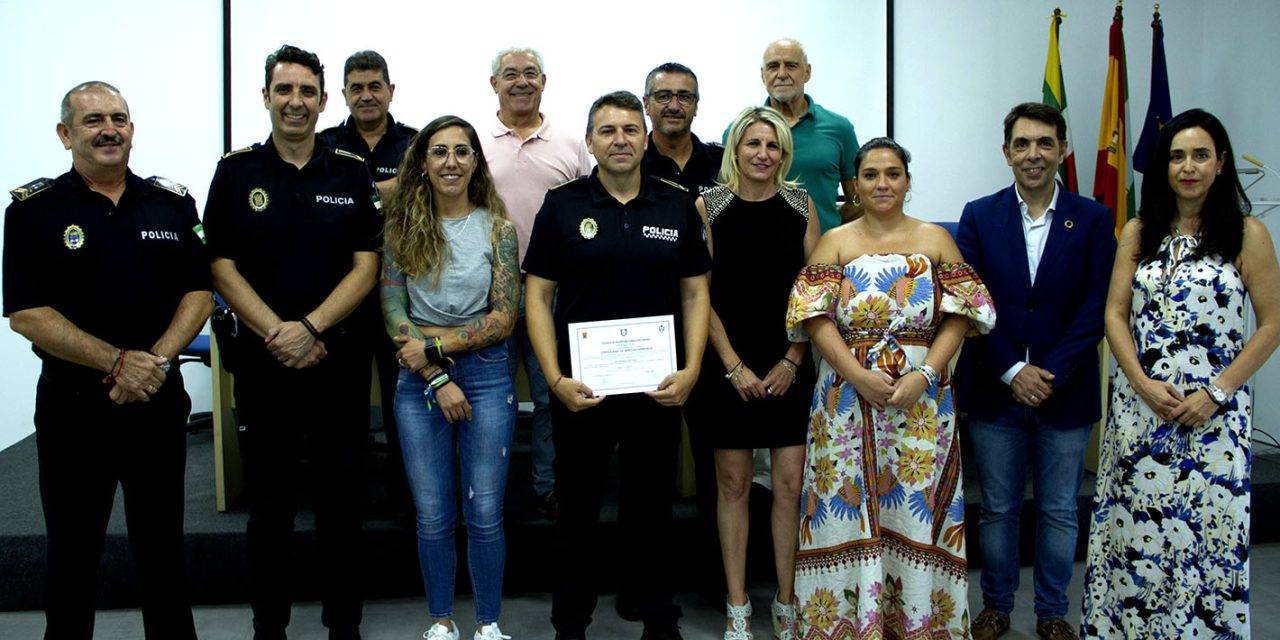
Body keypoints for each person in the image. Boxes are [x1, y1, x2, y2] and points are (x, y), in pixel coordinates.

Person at [3, 80, 212, 640]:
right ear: (65, 134)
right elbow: (26, 313)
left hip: (156, 406)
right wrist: (118, 363)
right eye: (93, 120)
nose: (109, 129)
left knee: (163, 555)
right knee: (73, 558)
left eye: (119, 118)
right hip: (75, 413)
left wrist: (155, 362)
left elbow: (198, 292)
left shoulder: (172, 204)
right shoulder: (33, 211)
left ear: (132, 130)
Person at [202, 45, 381, 640]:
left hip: (337, 360)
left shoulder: (350, 168)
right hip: (264, 363)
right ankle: (269, 627)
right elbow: (221, 266)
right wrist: (279, 333)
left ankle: (343, 626)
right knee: (271, 508)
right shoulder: (236, 172)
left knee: (340, 505)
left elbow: (367, 265)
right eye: (284, 90)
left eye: (307, 91)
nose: (296, 102)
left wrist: (310, 329)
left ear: (323, 100)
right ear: (266, 98)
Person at [1082, 109, 1280, 639]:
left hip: (1214, 417)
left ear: (1221, 163)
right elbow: (1114, 315)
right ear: (1162, 167)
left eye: (1199, 155)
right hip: (1141, 411)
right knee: (1136, 539)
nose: (1187, 166)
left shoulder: (1248, 234)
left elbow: (1272, 324)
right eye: (1176, 156)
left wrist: (1216, 392)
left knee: (1203, 540)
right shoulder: (1139, 231)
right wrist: (1144, 385)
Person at [786, 138, 995, 638]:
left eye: (893, 173)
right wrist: (856, 375)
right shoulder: (834, 241)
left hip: (923, 404)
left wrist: (925, 374)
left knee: (916, 511)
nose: (882, 183)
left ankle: (920, 624)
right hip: (844, 402)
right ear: (854, 183)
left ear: (907, 179)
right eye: (871, 174)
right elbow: (809, 316)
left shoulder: (936, 240)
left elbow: (966, 314)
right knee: (842, 508)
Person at [522, 90, 711, 640]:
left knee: (650, 509)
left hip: (657, 386)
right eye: (607, 131)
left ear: (645, 137)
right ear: (589, 142)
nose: (621, 139)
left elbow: (696, 293)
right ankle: (571, 622)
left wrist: (693, 367)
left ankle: (657, 617)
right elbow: (537, 297)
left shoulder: (675, 204)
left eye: (630, 129)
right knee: (577, 509)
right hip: (583, 389)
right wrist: (554, 378)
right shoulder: (562, 204)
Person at [955, 103, 1116, 640]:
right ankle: (996, 607)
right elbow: (969, 301)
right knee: (998, 509)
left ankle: (1052, 613)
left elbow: (1098, 305)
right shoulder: (979, 215)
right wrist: (1011, 370)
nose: (1033, 154)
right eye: (1022, 144)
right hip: (996, 389)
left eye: (1045, 143)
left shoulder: (1092, 218)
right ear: (1006, 153)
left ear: (1063, 150)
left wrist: (1047, 372)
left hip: (1063, 392)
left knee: (1059, 511)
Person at [381, 116, 520, 640]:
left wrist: (435, 345)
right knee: (434, 513)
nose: (451, 162)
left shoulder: (498, 229)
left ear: (476, 162)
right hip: (419, 379)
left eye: (463, 152)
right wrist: (436, 373)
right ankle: (441, 620)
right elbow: (393, 308)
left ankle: (488, 623)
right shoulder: (401, 227)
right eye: (439, 152)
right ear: (422, 163)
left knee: (484, 511)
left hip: (484, 376)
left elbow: (504, 318)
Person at [683, 105, 819, 640]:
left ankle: (786, 602)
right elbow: (699, 295)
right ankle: (738, 603)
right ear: (734, 149)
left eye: (774, 147)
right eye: (753, 144)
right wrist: (734, 366)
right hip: (727, 364)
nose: (763, 155)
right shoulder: (707, 206)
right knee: (734, 485)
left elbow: (816, 293)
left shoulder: (800, 204)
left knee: (789, 487)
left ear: (784, 155)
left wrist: (793, 358)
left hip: (790, 362)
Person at [480, 46, 593, 519]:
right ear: (494, 85)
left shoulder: (570, 144)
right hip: (488, 293)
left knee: (552, 392)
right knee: (491, 394)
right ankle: (489, 490)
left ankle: (549, 484)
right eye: (511, 74)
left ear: (544, 81)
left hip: (556, 292)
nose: (521, 81)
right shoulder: (474, 142)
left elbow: (593, 204)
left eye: (530, 73)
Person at [319, 49, 419, 517]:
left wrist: (352, 193)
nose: (366, 95)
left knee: (406, 405)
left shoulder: (417, 145)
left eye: (374, 86)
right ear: (342, 94)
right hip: (343, 295)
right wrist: (386, 190)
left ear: (390, 90)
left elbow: (429, 195)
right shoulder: (321, 147)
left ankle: (406, 496)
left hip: (406, 294)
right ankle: (348, 501)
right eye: (356, 87)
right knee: (344, 408)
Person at [752, 38, 860, 231]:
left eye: (791, 66)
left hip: (823, 254)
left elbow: (859, 201)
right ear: (762, 75)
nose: (782, 74)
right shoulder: (742, 131)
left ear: (807, 72)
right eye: (773, 66)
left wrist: (830, 226)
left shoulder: (840, 128)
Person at [641, 62, 724, 193]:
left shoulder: (723, 162)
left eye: (685, 97)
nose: (674, 107)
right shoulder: (632, 164)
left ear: (696, 105)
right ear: (646, 104)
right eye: (663, 96)